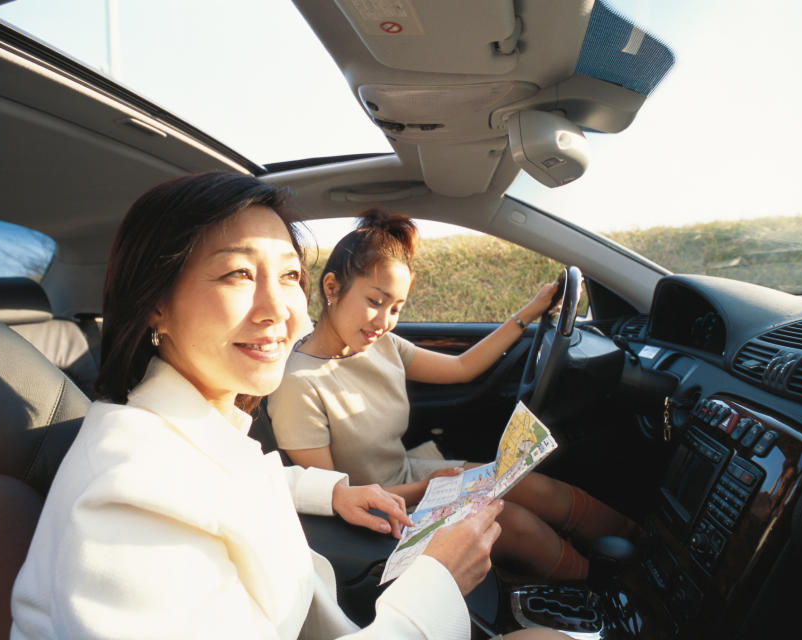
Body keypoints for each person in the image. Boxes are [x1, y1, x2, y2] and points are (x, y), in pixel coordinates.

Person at [9, 172, 567, 640]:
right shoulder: (128, 496)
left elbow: (229, 477)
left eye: (289, 275)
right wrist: (440, 580)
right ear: (155, 304)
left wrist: (333, 491)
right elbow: (187, 491)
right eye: (238, 273)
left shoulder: (194, 428)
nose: (279, 308)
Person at [268, 211, 639, 582]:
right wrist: (426, 488)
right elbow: (337, 497)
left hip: (413, 475)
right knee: (514, 523)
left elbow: (462, 368)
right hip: (381, 512)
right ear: (332, 288)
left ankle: (641, 546)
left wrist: (531, 311)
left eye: (395, 308)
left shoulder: (383, 345)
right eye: (375, 301)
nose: (384, 321)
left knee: (532, 485)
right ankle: (600, 585)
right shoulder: (298, 385)